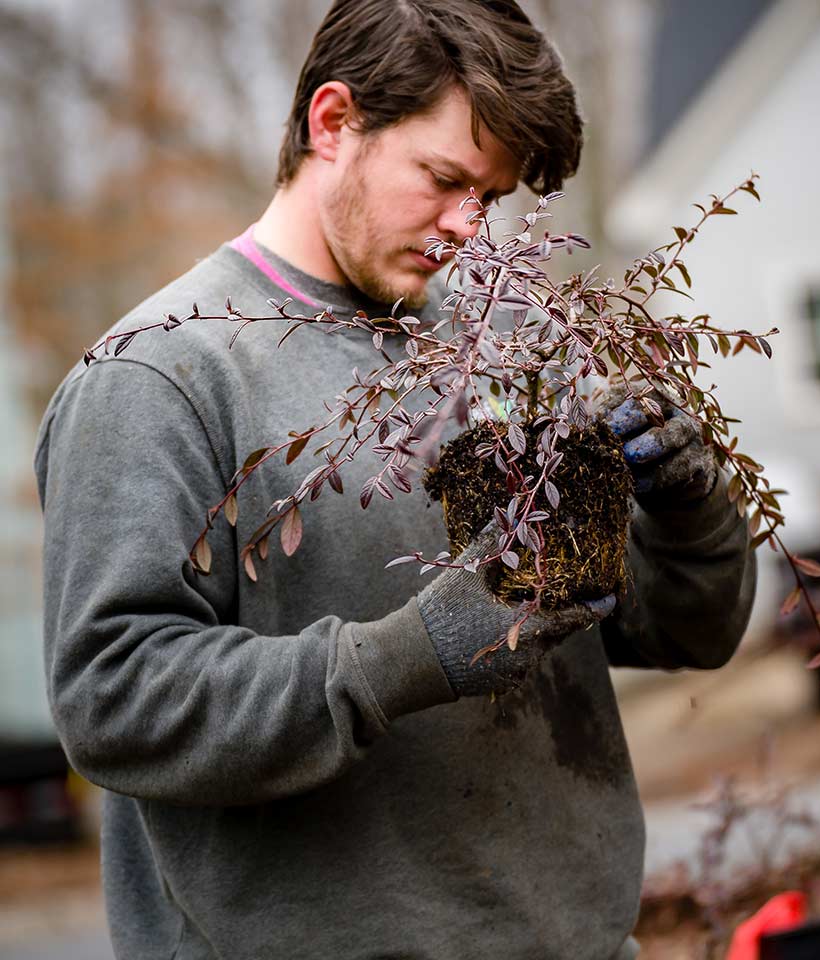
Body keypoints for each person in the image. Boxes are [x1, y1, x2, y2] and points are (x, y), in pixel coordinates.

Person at [33, 1, 756, 958]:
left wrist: (688, 511)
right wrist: (405, 658)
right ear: (334, 122)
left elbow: (679, 630)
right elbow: (113, 699)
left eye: (490, 199)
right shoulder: (161, 379)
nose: (468, 228)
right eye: (446, 179)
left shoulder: (500, 349)